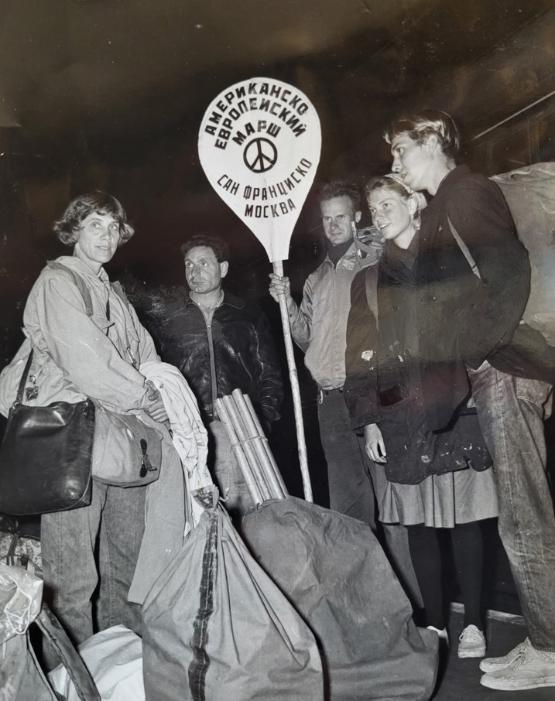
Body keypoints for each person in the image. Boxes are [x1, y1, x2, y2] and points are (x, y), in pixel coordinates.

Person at [385, 109, 555, 690]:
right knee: (519, 508)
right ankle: (542, 635)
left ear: (432, 140)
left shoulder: (467, 192)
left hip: (505, 368)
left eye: (401, 150)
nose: (394, 163)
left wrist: (480, 352)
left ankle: (551, 648)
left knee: (523, 512)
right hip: (498, 367)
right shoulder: (443, 205)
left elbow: (508, 275)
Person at [9, 192, 170, 664]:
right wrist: (147, 398)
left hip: (120, 438)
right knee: (72, 576)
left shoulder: (112, 292)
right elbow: (87, 360)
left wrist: (162, 394)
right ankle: (69, 676)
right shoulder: (58, 281)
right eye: (95, 225)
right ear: (73, 230)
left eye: (113, 228)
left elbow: (145, 353)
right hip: (72, 436)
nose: (106, 236)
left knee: (125, 562)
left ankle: (119, 669)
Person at [345, 174, 497, 659]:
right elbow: (358, 356)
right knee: (418, 525)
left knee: (468, 520)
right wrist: (368, 419)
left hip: (457, 408)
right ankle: (436, 625)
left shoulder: (451, 262)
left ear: (415, 204)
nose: (379, 215)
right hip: (399, 413)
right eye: (373, 209)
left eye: (388, 203)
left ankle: (473, 624)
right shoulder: (367, 281)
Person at [145, 234, 283, 515]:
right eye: (189, 265)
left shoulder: (247, 314)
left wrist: (263, 420)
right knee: (199, 515)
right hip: (190, 430)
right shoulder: (169, 319)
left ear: (223, 269)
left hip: (241, 429)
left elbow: (269, 374)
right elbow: (154, 369)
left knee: (248, 511)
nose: (195, 272)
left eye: (204, 263)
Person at [268, 181, 378, 527]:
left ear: (357, 217)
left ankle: (404, 579)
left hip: (370, 388)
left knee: (390, 497)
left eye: (340, 217)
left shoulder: (373, 258)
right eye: (327, 218)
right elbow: (307, 339)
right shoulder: (317, 276)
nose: (333, 225)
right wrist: (285, 302)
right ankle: (361, 575)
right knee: (348, 502)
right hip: (329, 398)